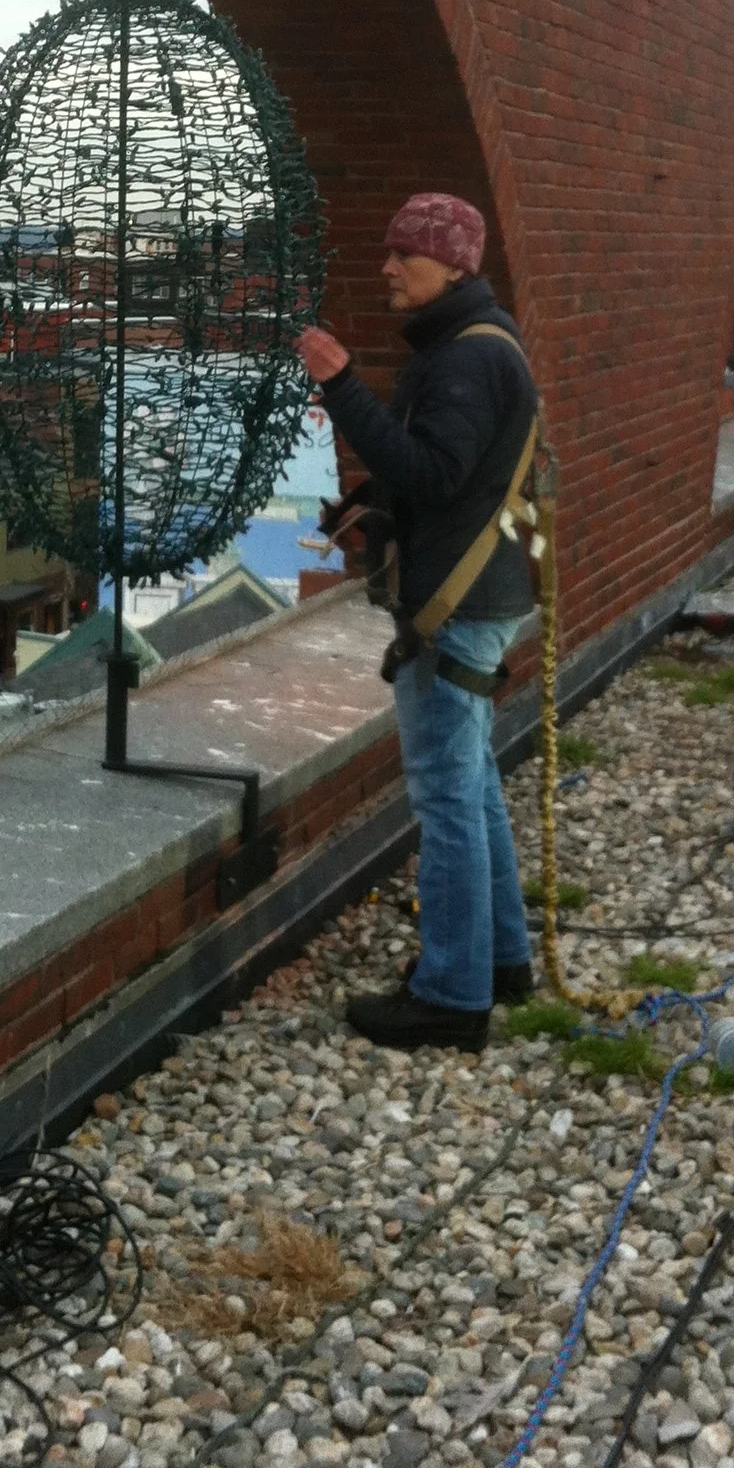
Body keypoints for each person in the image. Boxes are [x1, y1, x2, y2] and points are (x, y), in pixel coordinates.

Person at [297, 193, 538, 1052]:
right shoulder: (471, 347)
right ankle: (501, 962)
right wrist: (369, 505)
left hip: (456, 610)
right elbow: (446, 477)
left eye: (408, 255)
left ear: (456, 266)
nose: (389, 267)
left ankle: (451, 995)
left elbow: (435, 472)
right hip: (480, 597)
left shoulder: (466, 361)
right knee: (472, 788)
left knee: (446, 798)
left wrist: (341, 387)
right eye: (390, 251)